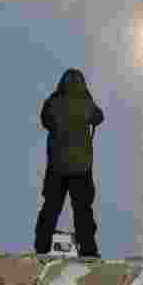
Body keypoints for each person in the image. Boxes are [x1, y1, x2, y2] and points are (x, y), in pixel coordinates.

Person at [33, 68, 103, 257]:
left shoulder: (53, 102)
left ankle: (42, 245)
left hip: (57, 166)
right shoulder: (86, 103)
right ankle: (88, 248)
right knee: (83, 210)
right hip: (82, 168)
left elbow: (45, 121)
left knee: (51, 207)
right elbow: (99, 117)